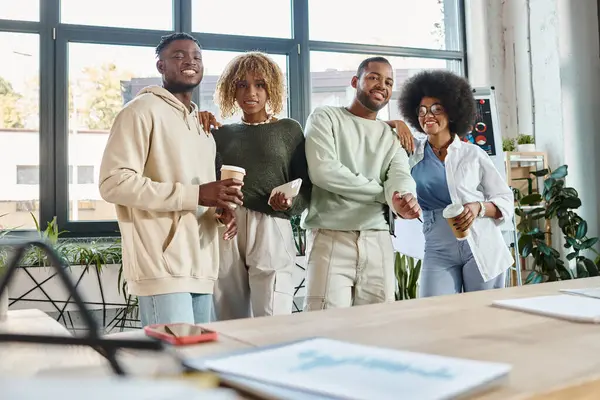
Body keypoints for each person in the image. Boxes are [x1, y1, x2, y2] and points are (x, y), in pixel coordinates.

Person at [98, 33, 243, 327]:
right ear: (160, 66)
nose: (190, 60)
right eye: (178, 55)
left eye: (196, 56)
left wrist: (219, 211)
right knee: (171, 365)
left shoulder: (202, 127)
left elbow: (198, 193)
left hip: (202, 267)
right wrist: (197, 195)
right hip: (161, 267)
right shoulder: (139, 111)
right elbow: (113, 182)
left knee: (199, 362)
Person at [302, 56, 421, 311]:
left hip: (378, 241)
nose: (382, 85)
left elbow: (400, 175)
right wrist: (384, 196)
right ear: (355, 81)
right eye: (374, 77)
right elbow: (324, 172)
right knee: (326, 328)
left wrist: (403, 196)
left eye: (388, 82)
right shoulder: (325, 117)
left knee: (378, 329)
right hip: (332, 238)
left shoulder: (391, 135)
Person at [209, 52, 311, 320]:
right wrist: (219, 211)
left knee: (273, 316)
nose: (250, 92)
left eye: (260, 84)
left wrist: (290, 205)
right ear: (231, 89)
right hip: (227, 226)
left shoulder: (289, 130)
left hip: (271, 225)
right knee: (229, 317)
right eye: (241, 84)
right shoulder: (221, 134)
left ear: (272, 88)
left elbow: (307, 185)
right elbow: (209, 183)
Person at [395, 69, 514, 297]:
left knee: (480, 318)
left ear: (452, 111)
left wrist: (478, 208)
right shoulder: (411, 154)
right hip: (437, 246)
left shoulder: (473, 154)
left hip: (480, 242)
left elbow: (505, 198)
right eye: (421, 110)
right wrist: (395, 123)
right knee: (434, 314)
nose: (427, 115)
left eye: (436, 109)